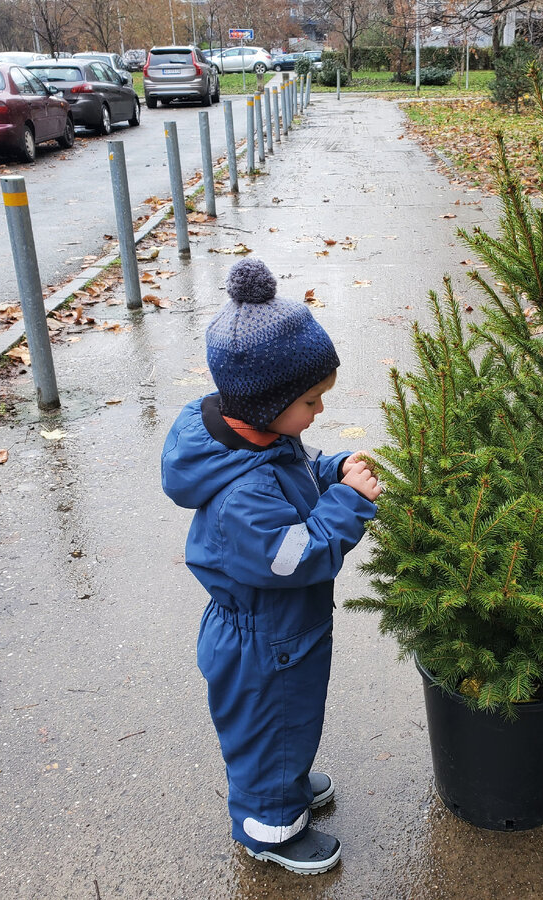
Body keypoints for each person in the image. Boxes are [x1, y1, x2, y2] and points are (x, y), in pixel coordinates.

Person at [161, 258, 381, 875]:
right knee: (270, 726)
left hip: (281, 630)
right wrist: (347, 504)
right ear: (266, 403)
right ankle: (270, 828)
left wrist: (330, 468)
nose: (316, 412)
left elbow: (297, 471)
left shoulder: (257, 438)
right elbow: (294, 557)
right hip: (264, 638)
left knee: (288, 719)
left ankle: (283, 781)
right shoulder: (242, 495)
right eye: (309, 401)